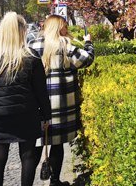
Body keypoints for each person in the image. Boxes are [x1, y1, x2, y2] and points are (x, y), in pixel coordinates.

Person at [0, 12, 51, 186]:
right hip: (26, 114)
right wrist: (47, 115)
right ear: (21, 31)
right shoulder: (30, 56)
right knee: (28, 157)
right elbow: (40, 90)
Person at [29, 15, 94, 186]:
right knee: (57, 144)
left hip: (36, 104)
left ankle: (26, 181)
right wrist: (88, 43)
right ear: (59, 28)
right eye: (65, 27)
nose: (67, 30)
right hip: (60, 104)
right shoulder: (66, 45)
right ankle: (55, 181)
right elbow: (87, 59)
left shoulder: (33, 46)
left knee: (36, 145)